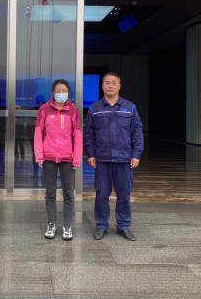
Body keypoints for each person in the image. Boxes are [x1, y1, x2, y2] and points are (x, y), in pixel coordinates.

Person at [84, 72, 143, 241]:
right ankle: (101, 225)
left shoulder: (129, 107)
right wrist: (90, 154)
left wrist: (136, 154)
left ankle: (123, 226)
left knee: (124, 194)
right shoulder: (95, 108)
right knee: (102, 194)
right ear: (102, 86)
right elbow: (89, 134)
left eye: (114, 83)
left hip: (124, 159)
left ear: (119, 86)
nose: (110, 85)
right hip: (102, 159)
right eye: (107, 82)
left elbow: (137, 132)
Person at [34, 79, 82, 240]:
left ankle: (67, 225)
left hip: (68, 158)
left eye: (64, 91)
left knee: (68, 193)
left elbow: (77, 135)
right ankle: (51, 224)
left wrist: (77, 157)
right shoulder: (44, 109)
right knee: (50, 192)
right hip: (49, 157)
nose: (61, 93)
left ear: (68, 92)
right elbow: (38, 133)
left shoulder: (73, 110)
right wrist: (39, 155)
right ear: (53, 93)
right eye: (58, 91)